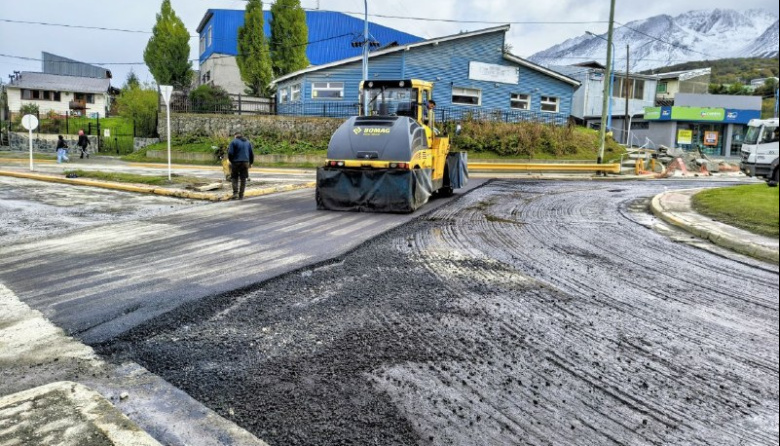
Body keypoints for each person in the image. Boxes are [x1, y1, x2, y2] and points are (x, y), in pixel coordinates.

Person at [227, 132, 254, 200]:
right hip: (245, 162)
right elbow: (251, 153)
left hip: (236, 162)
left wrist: (231, 160)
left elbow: (230, 153)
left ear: (235, 136)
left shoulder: (233, 142)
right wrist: (251, 163)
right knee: (243, 179)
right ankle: (241, 195)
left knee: (234, 178)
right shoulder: (248, 142)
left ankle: (235, 193)